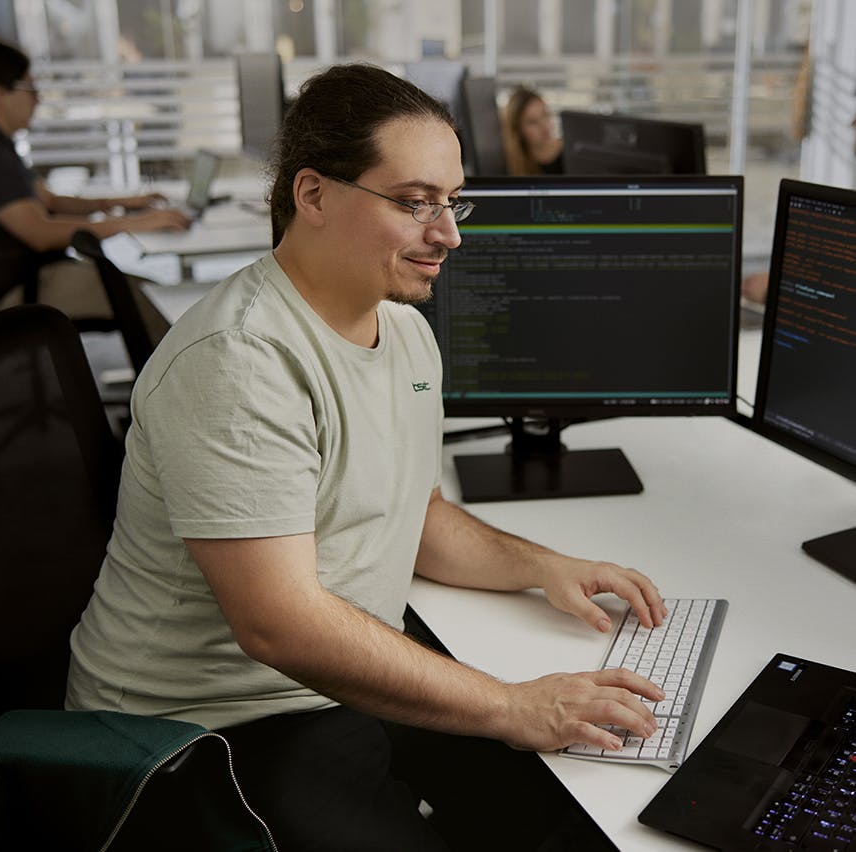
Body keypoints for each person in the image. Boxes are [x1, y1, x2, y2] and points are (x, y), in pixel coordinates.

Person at [66, 62, 667, 851]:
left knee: (585, 805)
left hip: (333, 692)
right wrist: (512, 705)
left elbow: (417, 516)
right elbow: (281, 628)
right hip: (204, 727)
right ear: (312, 194)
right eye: (415, 202)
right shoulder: (239, 360)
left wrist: (544, 565)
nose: (448, 233)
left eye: (453, 202)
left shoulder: (405, 329)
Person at [0, 37, 189, 327]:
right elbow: (40, 233)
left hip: (34, 275)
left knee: (147, 292)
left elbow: (49, 201)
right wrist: (136, 223)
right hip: (20, 290)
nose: (38, 98)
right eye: (30, 88)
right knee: (149, 299)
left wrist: (121, 203)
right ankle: (175, 373)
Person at [502, 84, 564, 175]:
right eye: (532, 122)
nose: (544, 126)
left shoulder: (571, 152)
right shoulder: (509, 163)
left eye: (545, 114)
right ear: (518, 130)